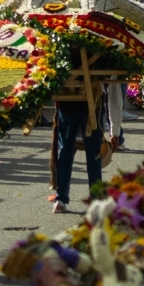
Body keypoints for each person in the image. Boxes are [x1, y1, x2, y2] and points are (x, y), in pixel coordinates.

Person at [52, 82, 122, 213]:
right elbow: (114, 95)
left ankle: (60, 200)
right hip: (90, 105)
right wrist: (115, 130)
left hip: (68, 103)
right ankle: (95, 200)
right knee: (93, 154)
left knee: (66, 151)